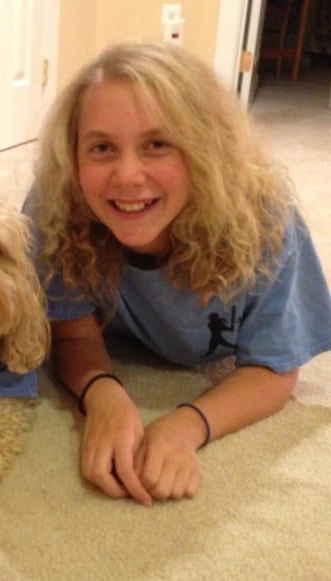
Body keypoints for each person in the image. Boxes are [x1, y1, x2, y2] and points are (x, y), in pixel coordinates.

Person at [28, 42, 331, 506]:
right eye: (102, 147)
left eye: (158, 144)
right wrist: (102, 393)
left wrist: (189, 424)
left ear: (205, 149)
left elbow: (273, 367)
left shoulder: (266, 219)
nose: (128, 175)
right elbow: (71, 336)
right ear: (73, 158)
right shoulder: (55, 209)